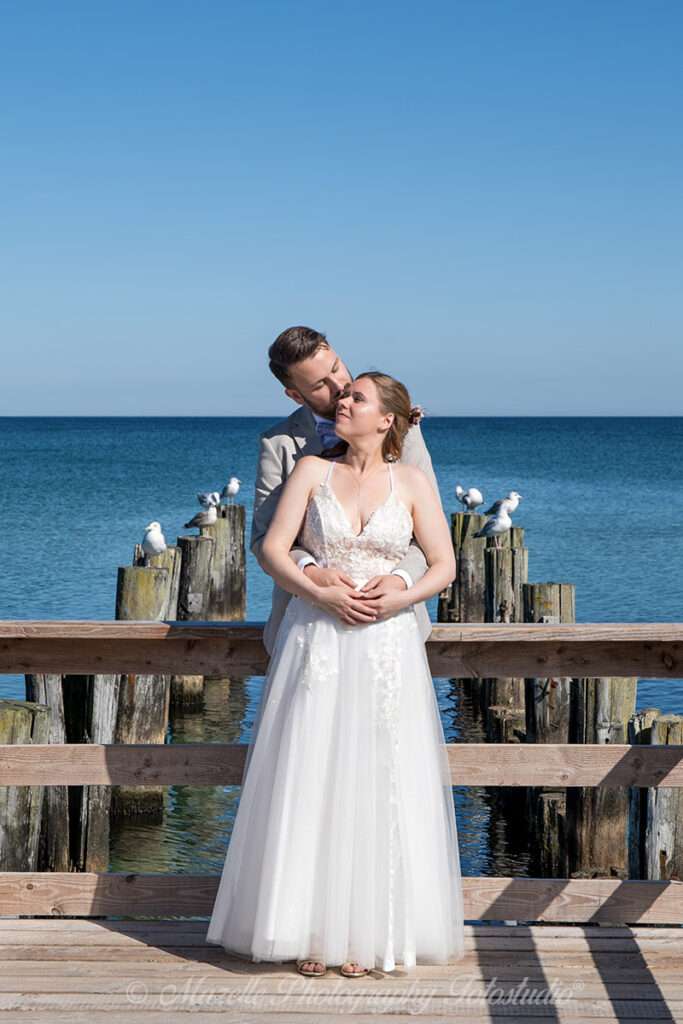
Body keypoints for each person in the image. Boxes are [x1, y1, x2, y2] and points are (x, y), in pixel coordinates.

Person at [206, 367, 465, 977]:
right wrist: (315, 592)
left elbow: (444, 564)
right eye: (344, 394)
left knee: (381, 776)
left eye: (356, 397)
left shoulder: (412, 482)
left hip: (387, 647)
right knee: (311, 770)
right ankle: (307, 931)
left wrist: (401, 595)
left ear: (388, 419)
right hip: (317, 639)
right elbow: (272, 548)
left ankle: (370, 934)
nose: (342, 401)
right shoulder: (312, 470)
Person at [250, 325, 441, 656]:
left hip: (391, 627)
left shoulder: (402, 429)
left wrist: (399, 582)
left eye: (336, 368)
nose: (339, 386)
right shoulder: (278, 444)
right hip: (307, 628)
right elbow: (263, 541)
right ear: (296, 395)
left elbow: (431, 537)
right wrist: (312, 574)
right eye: (320, 384)